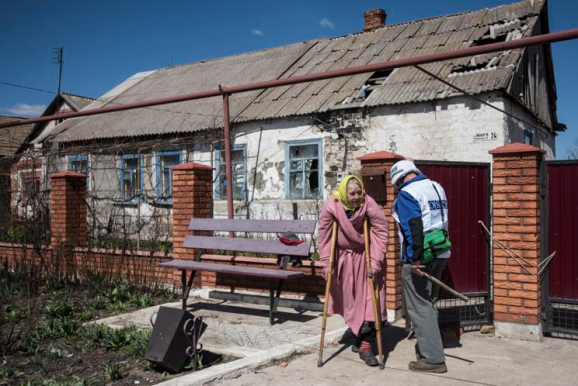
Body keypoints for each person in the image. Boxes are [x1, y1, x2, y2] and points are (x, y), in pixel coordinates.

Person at [318, 175, 389, 367]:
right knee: (351, 302)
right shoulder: (331, 206)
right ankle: (358, 335)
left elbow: (382, 231)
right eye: (352, 193)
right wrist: (326, 263)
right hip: (344, 261)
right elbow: (324, 237)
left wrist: (375, 262)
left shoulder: (369, 204)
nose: (357, 197)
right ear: (343, 193)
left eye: (359, 192)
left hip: (367, 257)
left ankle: (366, 345)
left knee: (372, 302)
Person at [390, 159, 450, 374]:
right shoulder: (436, 187)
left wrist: (414, 260)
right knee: (430, 302)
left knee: (419, 306)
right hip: (441, 252)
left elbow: (413, 226)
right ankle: (429, 346)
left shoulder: (407, 193)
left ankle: (433, 359)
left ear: (399, 179)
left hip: (420, 258)